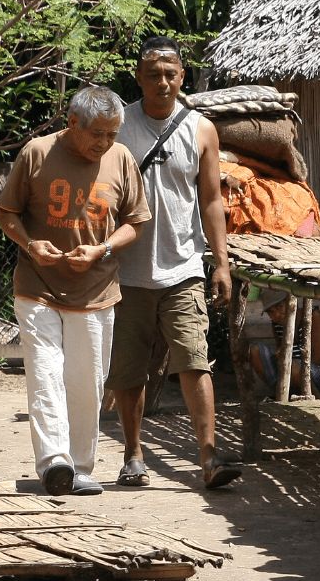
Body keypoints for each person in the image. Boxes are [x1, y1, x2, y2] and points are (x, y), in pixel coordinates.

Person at [0, 86, 151, 496]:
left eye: (112, 134)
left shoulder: (121, 160)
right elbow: (6, 212)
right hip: (37, 286)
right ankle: (54, 463)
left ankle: (80, 468)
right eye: (96, 133)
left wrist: (101, 249)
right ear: (72, 123)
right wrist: (31, 245)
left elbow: (134, 223)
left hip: (96, 290)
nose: (104, 143)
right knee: (45, 375)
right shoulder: (36, 152)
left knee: (87, 383)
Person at [104, 36, 244, 489]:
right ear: (138, 76)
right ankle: (132, 453)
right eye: (152, 73)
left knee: (194, 361)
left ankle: (208, 457)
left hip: (183, 266)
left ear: (182, 76)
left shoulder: (201, 129)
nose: (162, 81)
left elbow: (210, 199)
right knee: (129, 369)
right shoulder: (118, 125)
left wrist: (220, 263)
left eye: (170, 73)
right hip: (126, 272)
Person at [249, 290, 320, 398]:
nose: (276, 315)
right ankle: (280, 393)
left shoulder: (314, 317)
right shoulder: (277, 323)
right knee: (254, 351)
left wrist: (287, 354)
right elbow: (280, 351)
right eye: (271, 312)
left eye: (279, 307)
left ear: (291, 303)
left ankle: (317, 400)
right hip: (290, 377)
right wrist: (280, 355)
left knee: (294, 366)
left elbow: (317, 359)